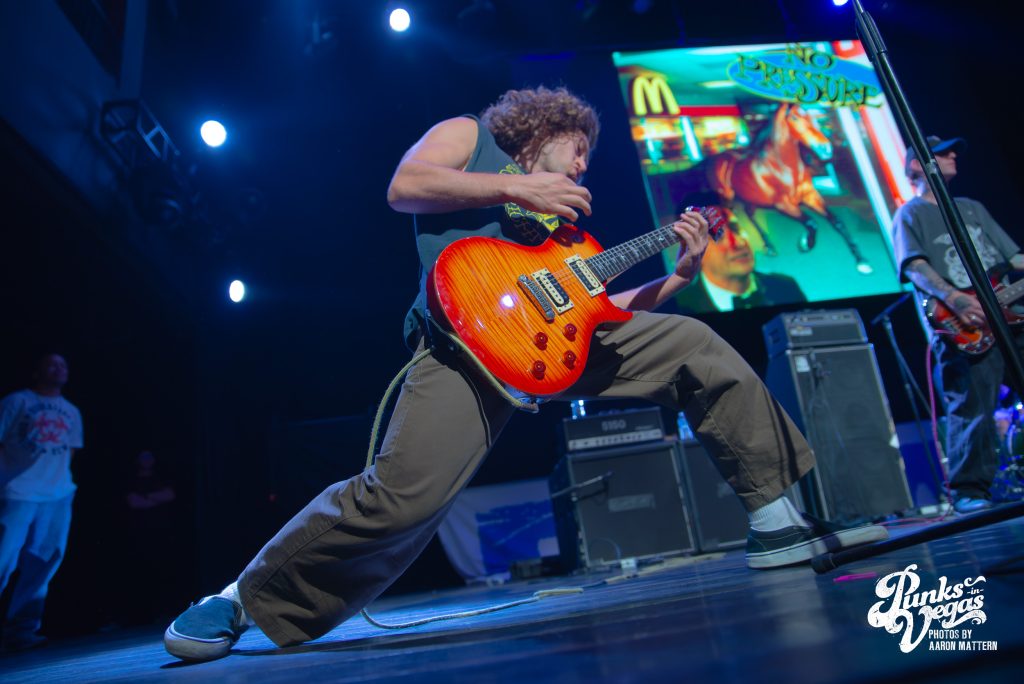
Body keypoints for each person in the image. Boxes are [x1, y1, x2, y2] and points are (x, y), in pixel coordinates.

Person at [164, 86, 887, 662]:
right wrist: (524, 191)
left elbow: (603, 314)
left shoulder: (567, 234)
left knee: (691, 342)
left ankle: (776, 522)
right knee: (400, 500)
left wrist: (679, 276)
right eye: (580, 150)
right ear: (547, 127)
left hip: (552, 348)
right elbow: (403, 186)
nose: (583, 168)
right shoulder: (469, 136)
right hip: (464, 350)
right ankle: (241, 599)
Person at [892, 135, 1024, 514]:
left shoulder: (971, 208)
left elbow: (1013, 259)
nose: (952, 155)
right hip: (963, 325)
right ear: (917, 165)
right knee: (972, 406)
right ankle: (969, 490)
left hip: (1009, 317)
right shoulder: (911, 214)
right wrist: (955, 298)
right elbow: (914, 266)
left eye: (953, 151)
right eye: (942, 152)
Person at [0, 353, 83, 652]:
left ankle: (21, 631)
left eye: (63, 364)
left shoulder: (71, 411)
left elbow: (70, 449)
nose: (59, 368)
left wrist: (56, 482)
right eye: (52, 364)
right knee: (3, 560)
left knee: (43, 562)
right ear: (37, 371)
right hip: (18, 491)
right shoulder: (17, 401)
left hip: (57, 494)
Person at [674, 214, 807, 313]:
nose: (738, 242)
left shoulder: (786, 287)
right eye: (719, 235)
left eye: (736, 228)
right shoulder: (681, 308)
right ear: (692, 248)